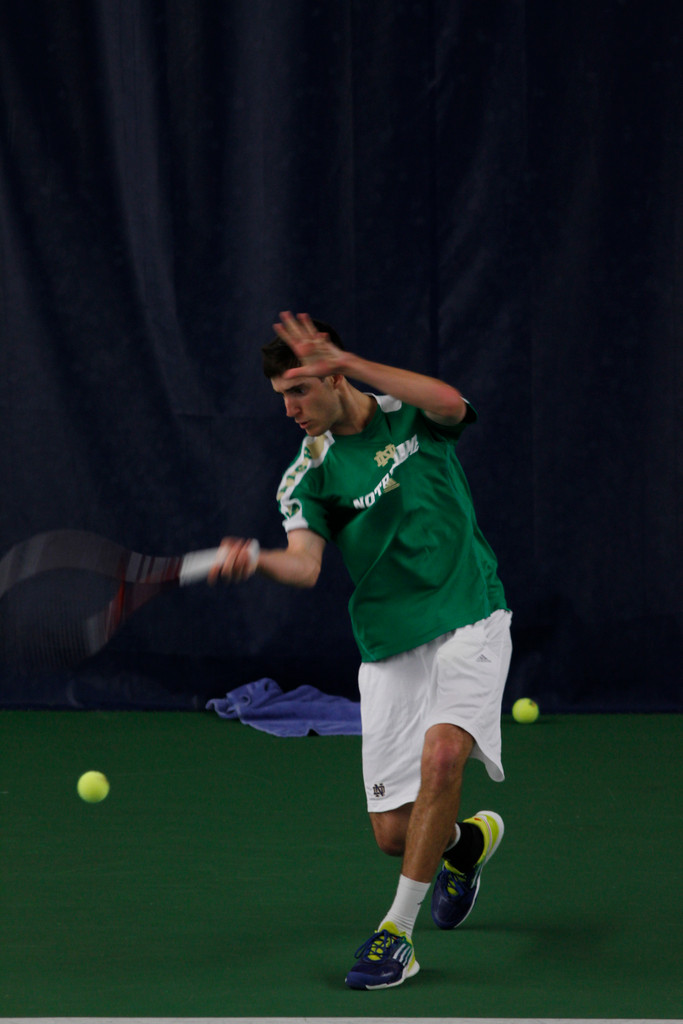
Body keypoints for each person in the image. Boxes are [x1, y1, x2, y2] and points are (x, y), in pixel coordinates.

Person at [211, 311, 512, 990]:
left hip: (469, 611)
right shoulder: (307, 472)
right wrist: (256, 559)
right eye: (282, 396)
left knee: (443, 757)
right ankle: (466, 845)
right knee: (394, 835)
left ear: (334, 377)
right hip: (387, 642)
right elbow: (304, 565)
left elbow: (452, 403)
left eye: (299, 390)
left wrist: (351, 364)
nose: (289, 409)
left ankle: (396, 935)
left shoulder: (407, 411)